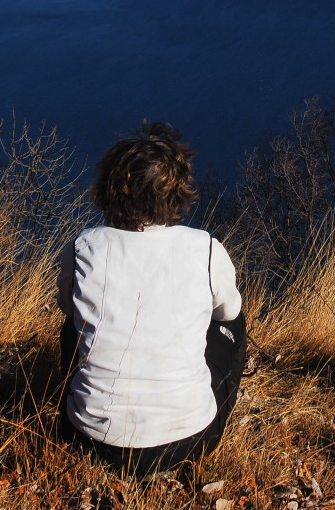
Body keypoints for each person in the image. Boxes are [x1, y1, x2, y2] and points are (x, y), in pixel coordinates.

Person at [57, 123, 246, 477]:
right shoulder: (205, 248)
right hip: (189, 440)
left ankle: (73, 395)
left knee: (73, 323)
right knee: (232, 321)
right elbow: (229, 312)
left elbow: (68, 310)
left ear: (110, 189)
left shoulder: (84, 247)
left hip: (90, 439)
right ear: (178, 192)